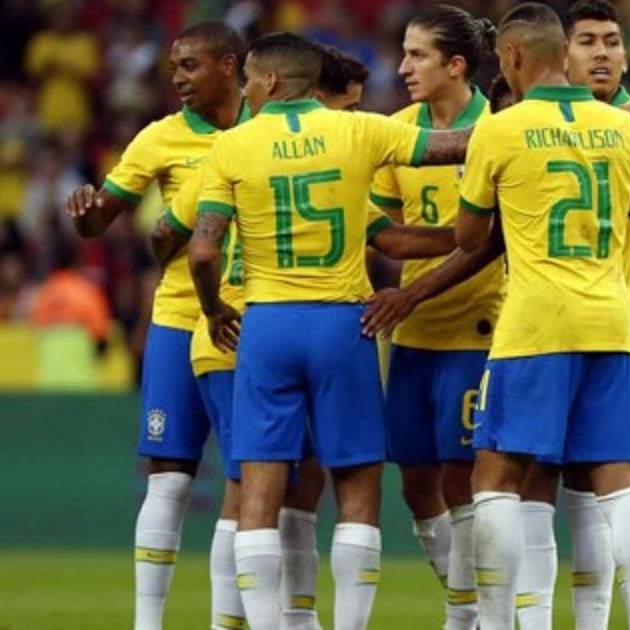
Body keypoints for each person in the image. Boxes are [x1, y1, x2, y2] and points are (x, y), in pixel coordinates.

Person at [152, 43, 457, 629]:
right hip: (343, 323)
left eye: (248, 80)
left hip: (266, 325)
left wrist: (213, 309)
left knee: (258, 490)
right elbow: (455, 145)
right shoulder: (360, 130)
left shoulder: (233, 145)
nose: (244, 90)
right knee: (357, 489)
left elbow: (202, 250)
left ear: (269, 81)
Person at [454, 4, 630, 629]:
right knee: (622, 487)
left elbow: (468, 237)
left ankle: (498, 623)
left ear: (515, 56)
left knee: (496, 476)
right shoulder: (622, 127)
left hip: (535, 325)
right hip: (612, 323)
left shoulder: (500, 129)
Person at [63, 22, 248, 630]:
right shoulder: (160, 137)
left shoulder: (265, 129)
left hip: (251, 320)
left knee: (246, 482)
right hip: (178, 317)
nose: (178, 78)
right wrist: (87, 218)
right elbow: (103, 218)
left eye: (191, 65)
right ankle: (148, 624)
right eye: (174, 68)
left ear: (230, 65)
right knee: (167, 480)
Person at [366, 7, 500, 628]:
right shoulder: (396, 134)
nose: (402, 67)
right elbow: (387, 234)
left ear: (456, 65)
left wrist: (415, 289)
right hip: (413, 331)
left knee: (462, 478)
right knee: (416, 484)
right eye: (404, 52)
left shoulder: (498, 129)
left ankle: (465, 616)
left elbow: (494, 243)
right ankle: (470, 602)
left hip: (479, 327)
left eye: (417, 55)